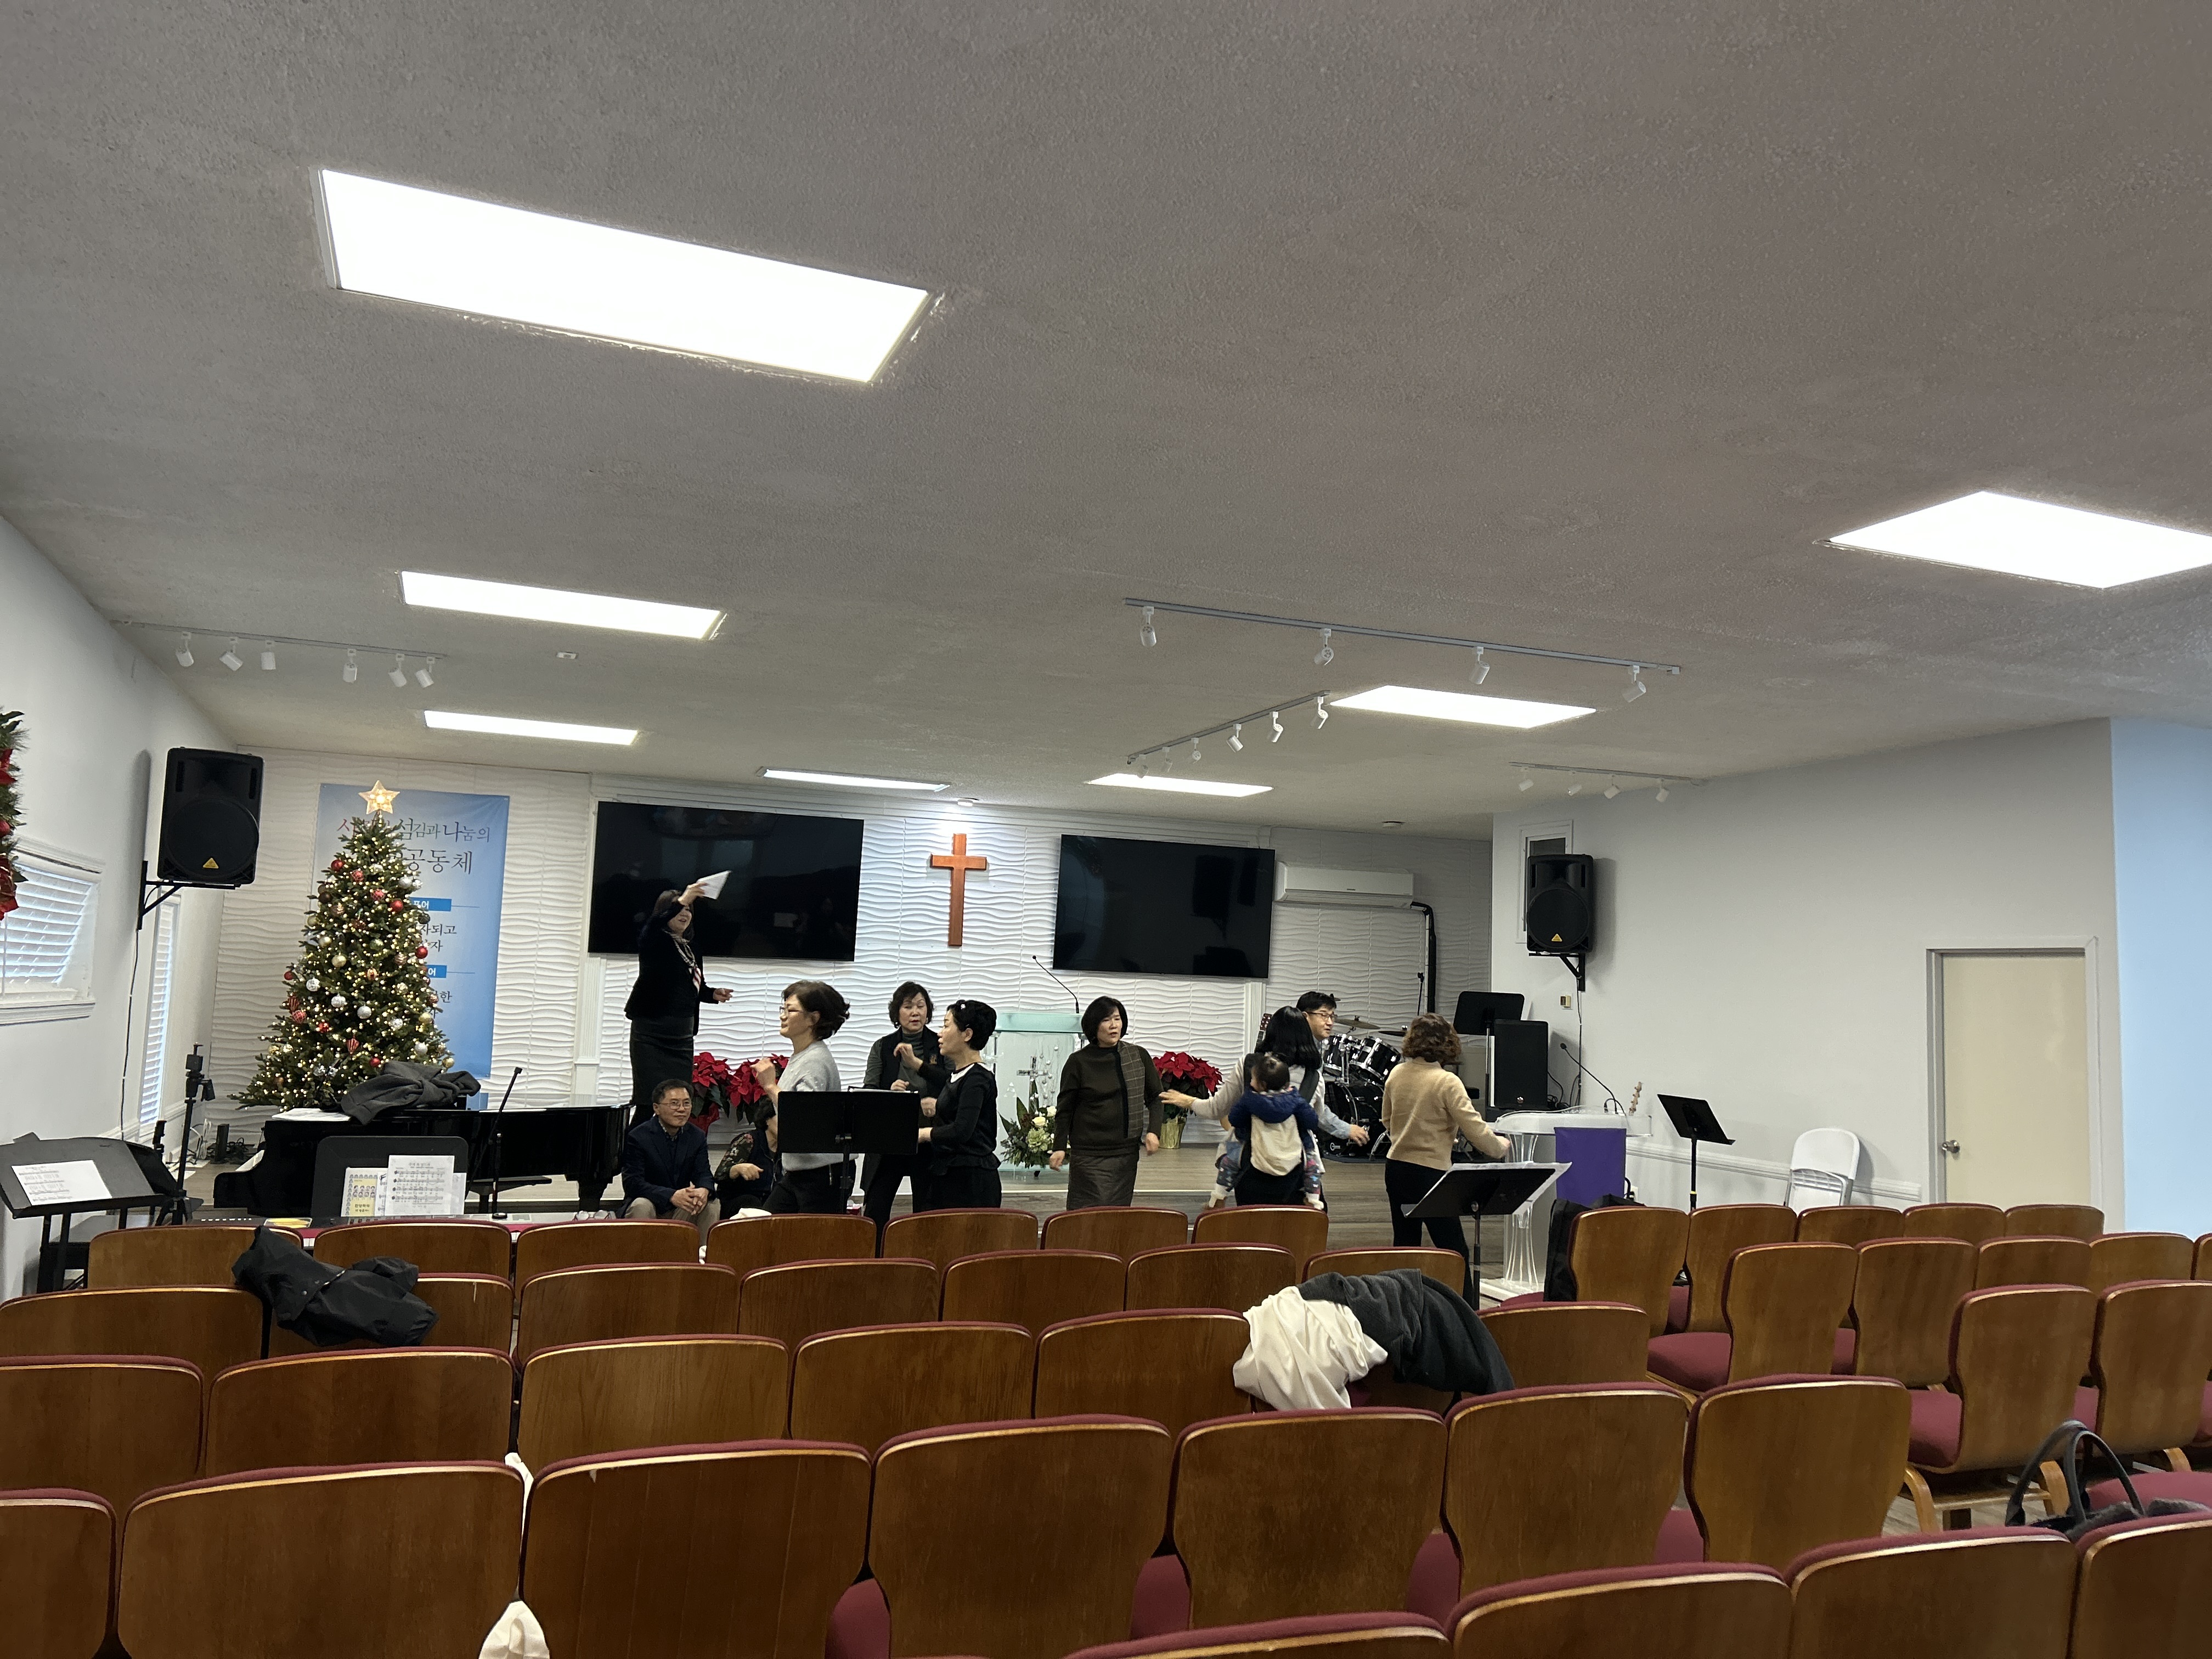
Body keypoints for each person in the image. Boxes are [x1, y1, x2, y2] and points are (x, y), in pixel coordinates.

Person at [1380, 1012, 1512, 1293]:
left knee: (1405, 1245)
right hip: (1431, 1174)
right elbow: (1474, 1128)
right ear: (1448, 1043)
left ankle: (1402, 1304)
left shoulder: (1396, 1074)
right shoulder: (1447, 1081)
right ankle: (1464, 1309)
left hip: (1397, 1168)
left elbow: (1388, 1120)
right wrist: (1499, 1148)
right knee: (1453, 1250)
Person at [621, 883, 732, 1125]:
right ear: (666, 912)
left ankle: (669, 1148)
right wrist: (684, 898)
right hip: (651, 1035)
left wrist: (713, 994)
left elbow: (694, 988)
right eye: (680, 909)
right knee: (648, 1102)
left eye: (689, 910)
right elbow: (653, 925)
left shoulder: (691, 948)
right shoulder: (654, 941)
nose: (685, 914)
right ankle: (630, 1150)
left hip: (681, 1037)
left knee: (679, 1101)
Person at [1049, 996, 1162, 1209]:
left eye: (1117, 1019)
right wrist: (1059, 1147)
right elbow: (1065, 1109)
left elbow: (1156, 1097)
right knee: (1085, 1215)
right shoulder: (1078, 1062)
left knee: (1117, 1215)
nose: (1114, 1025)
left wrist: (1154, 1131)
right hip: (1088, 1155)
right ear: (1094, 1026)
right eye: (1106, 1020)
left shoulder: (1137, 1056)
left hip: (1125, 1154)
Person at [857, 981, 947, 1236]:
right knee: (876, 1208)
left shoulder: (941, 1045)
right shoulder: (883, 1046)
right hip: (890, 1137)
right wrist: (890, 1092)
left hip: (928, 1137)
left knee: (927, 1211)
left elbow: (952, 1084)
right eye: (908, 1007)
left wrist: (935, 1102)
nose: (915, 1012)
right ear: (897, 1012)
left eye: (921, 1006)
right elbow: (869, 1091)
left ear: (928, 1011)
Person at [756, 979, 853, 1214]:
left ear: (813, 1019)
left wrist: (770, 1086)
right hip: (799, 1171)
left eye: (791, 1011)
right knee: (764, 1227)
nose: (783, 1016)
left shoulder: (815, 1061)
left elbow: (805, 1116)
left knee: (809, 1237)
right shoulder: (802, 1056)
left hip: (822, 1173)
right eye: (783, 1009)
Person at [914, 999, 1001, 1210]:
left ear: (967, 1034)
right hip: (950, 1172)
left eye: (946, 1026)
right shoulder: (958, 1074)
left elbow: (962, 1130)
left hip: (970, 1181)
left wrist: (923, 1134)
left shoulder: (977, 1078)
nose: (940, 1034)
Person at [622, 1077, 720, 1245]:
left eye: (686, 1104)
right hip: (652, 1203)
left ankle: (703, 1256)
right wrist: (671, 1196)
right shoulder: (638, 1137)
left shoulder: (696, 1136)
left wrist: (704, 1190)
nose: (682, 1109)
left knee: (711, 1203)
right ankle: (640, 1258)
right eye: (674, 1104)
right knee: (641, 1205)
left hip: (680, 1209)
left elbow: (704, 1174)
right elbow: (633, 1183)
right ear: (656, 1108)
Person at [1226, 1052, 1321, 1206]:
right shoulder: (1295, 1099)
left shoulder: (1249, 1100)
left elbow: (1235, 1119)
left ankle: (1219, 1195)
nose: (1251, 1082)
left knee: (1230, 1159)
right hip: (1293, 1160)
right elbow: (1312, 1122)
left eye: (1253, 1079)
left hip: (1256, 1163)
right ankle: (1313, 1199)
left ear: (1262, 1085)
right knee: (1312, 1163)